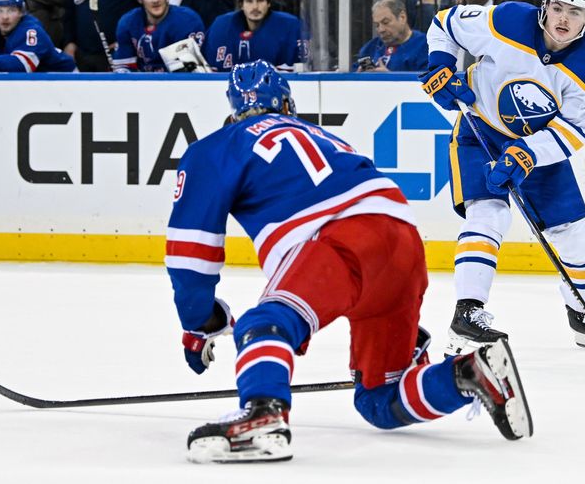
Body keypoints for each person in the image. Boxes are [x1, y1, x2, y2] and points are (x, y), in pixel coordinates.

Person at [166, 60, 532, 463]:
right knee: (379, 400)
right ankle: (469, 373)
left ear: (233, 112)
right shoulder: (321, 135)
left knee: (265, 323)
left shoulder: (217, 146)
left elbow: (191, 253)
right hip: (402, 242)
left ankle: (262, 418)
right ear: (287, 106)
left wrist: (198, 322)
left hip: (338, 240)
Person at [419, 0, 585, 354]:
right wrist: (441, 66)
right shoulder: (506, 20)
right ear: (545, 4)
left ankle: (584, 316)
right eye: (559, 7)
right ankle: (468, 313)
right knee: (489, 214)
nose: (565, 19)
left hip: (537, 149)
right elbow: (444, 24)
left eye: (577, 12)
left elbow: (575, 131)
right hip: (479, 130)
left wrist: (528, 154)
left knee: (580, 237)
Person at [113, 0, 205, 72]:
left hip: (178, 84)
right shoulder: (128, 22)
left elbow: (190, 72)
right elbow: (123, 69)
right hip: (142, 85)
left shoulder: (187, 20)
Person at [203, 0, 305, 72]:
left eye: (260, 0)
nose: (255, 7)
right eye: (249, 1)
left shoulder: (290, 26)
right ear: (241, 4)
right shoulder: (221, 26)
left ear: (268, 3)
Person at [0, 0, 76, 73]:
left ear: (21, 11)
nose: (5, 17)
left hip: (67, 81)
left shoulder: (32, 30)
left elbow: (24, 64)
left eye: (11, 10)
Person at [353, 0, 428, 72]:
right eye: (377, 25)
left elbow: (429, 81)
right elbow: (351, 74)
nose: (381, 30)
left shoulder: (425, 46)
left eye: (386, 22)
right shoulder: (371, 47)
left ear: (402, 17)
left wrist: (389, 79)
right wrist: (358, 77)